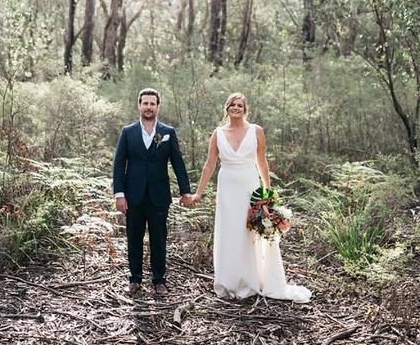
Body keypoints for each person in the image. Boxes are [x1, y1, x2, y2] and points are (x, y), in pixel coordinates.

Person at [190, 92, 311, 302]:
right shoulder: (218, 133)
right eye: (232, 105)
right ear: (226, 108)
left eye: (239, 105)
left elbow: (262, 162)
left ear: (245, 109)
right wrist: (199, 192)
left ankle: (253, 279)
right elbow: (209, 164)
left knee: (251, 230)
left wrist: (268, 192)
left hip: (249, 185)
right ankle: (230, 281)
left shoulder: (256, 131)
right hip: (227, 187)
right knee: (230, 232)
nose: (235, 108)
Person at [113, 88, 193, 297]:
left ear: (158, 106)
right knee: (134, 238)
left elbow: (178, 163)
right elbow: (119, 165)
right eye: (145, 103)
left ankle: (159, 280)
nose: (149, 107)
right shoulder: (127, 132)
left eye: (152, 104)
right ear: (139, 105)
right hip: (133, 196)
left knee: (158, 238)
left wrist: (185, 191)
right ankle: (135, 279)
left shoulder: (168, 132)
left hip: (159, 196)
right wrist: (119, 194)